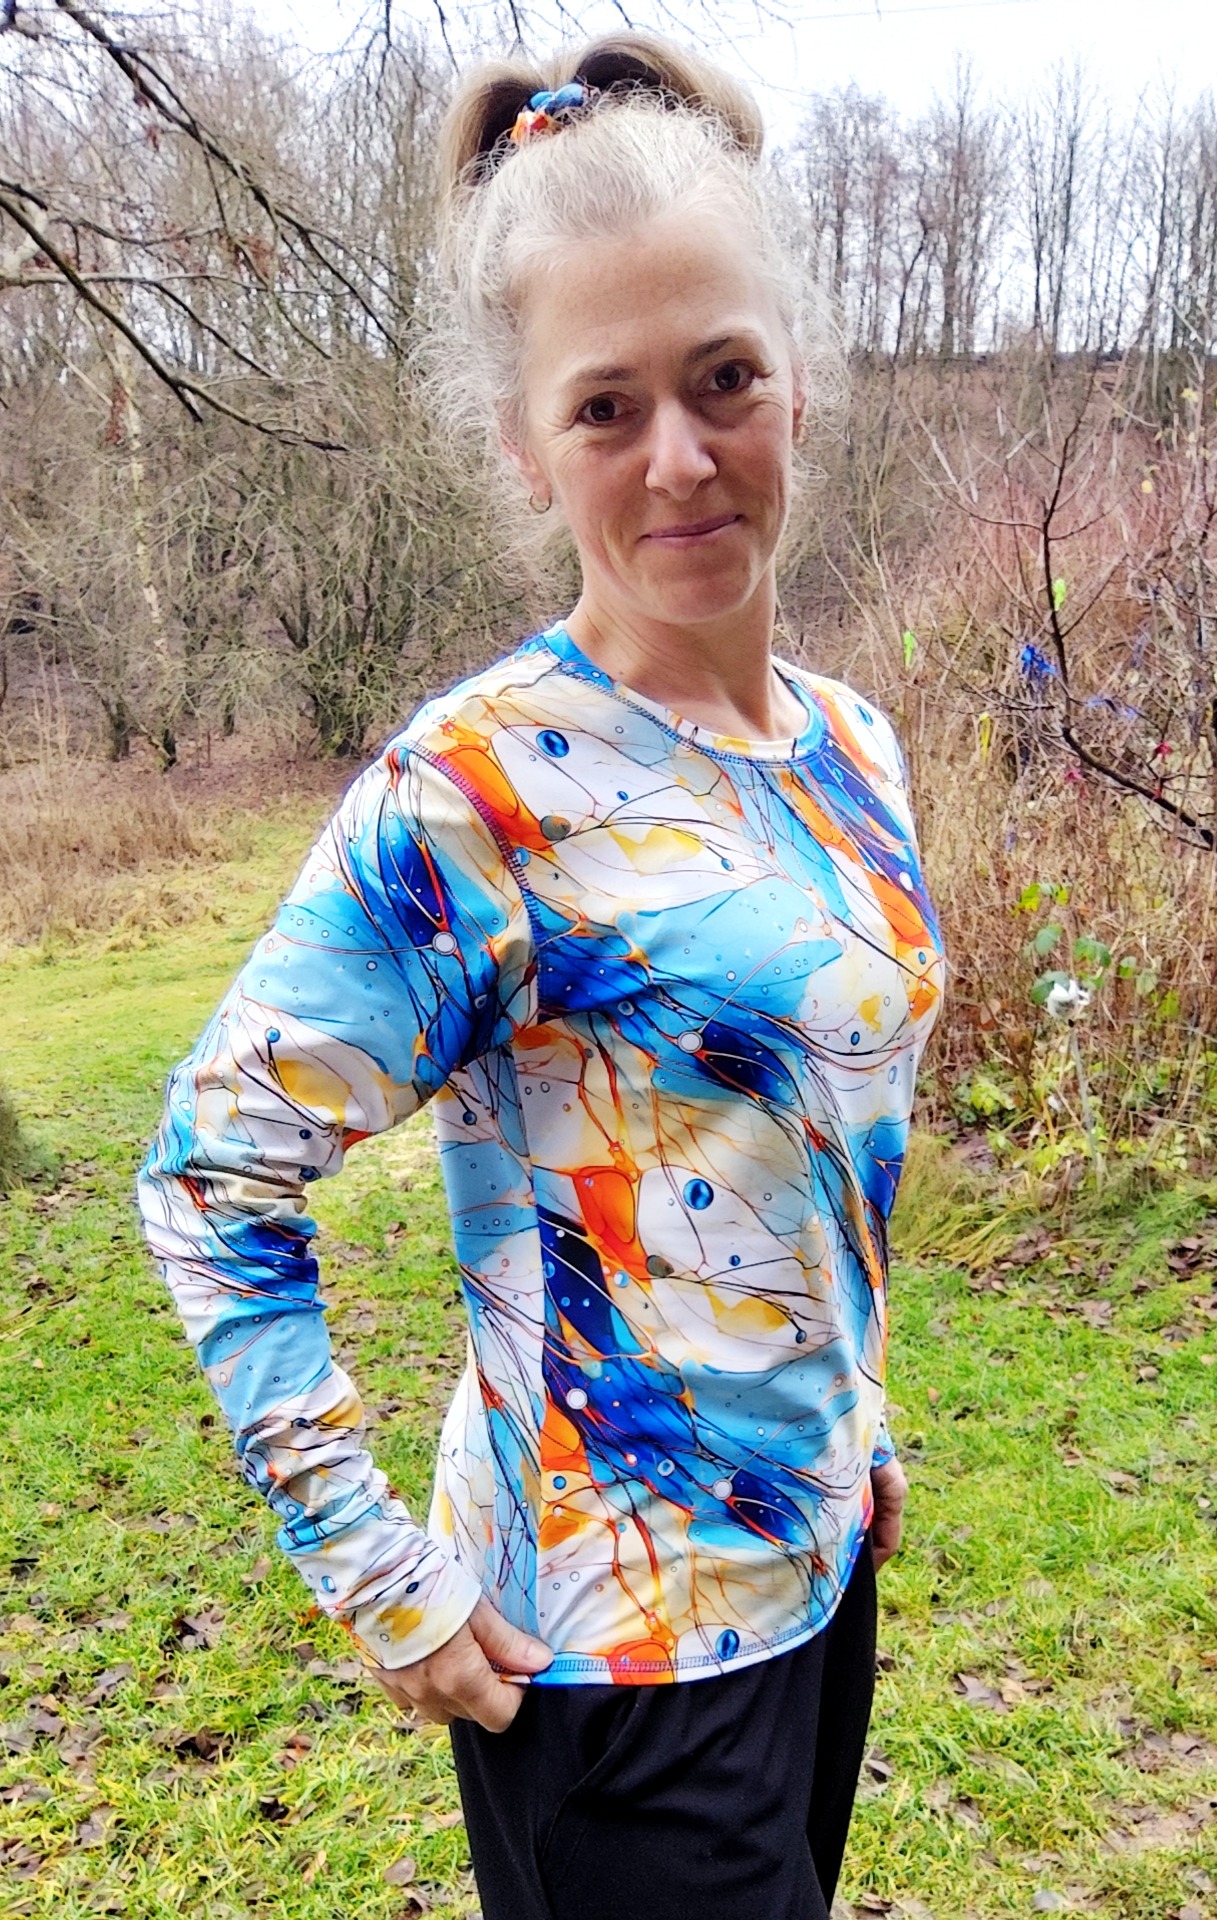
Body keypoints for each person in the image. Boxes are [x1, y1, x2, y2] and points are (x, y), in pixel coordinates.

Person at [138, 33, 944, 1920]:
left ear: (797, 380)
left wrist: (852, 1424)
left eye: (723, 377)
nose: (681, 457)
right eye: (605, 407)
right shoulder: (480, 786)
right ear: (525, 446)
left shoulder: (853, 748)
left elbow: (807, 1142)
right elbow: (211, 1171)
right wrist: (371, 1570)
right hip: (603, 1655)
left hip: (811, 1584)